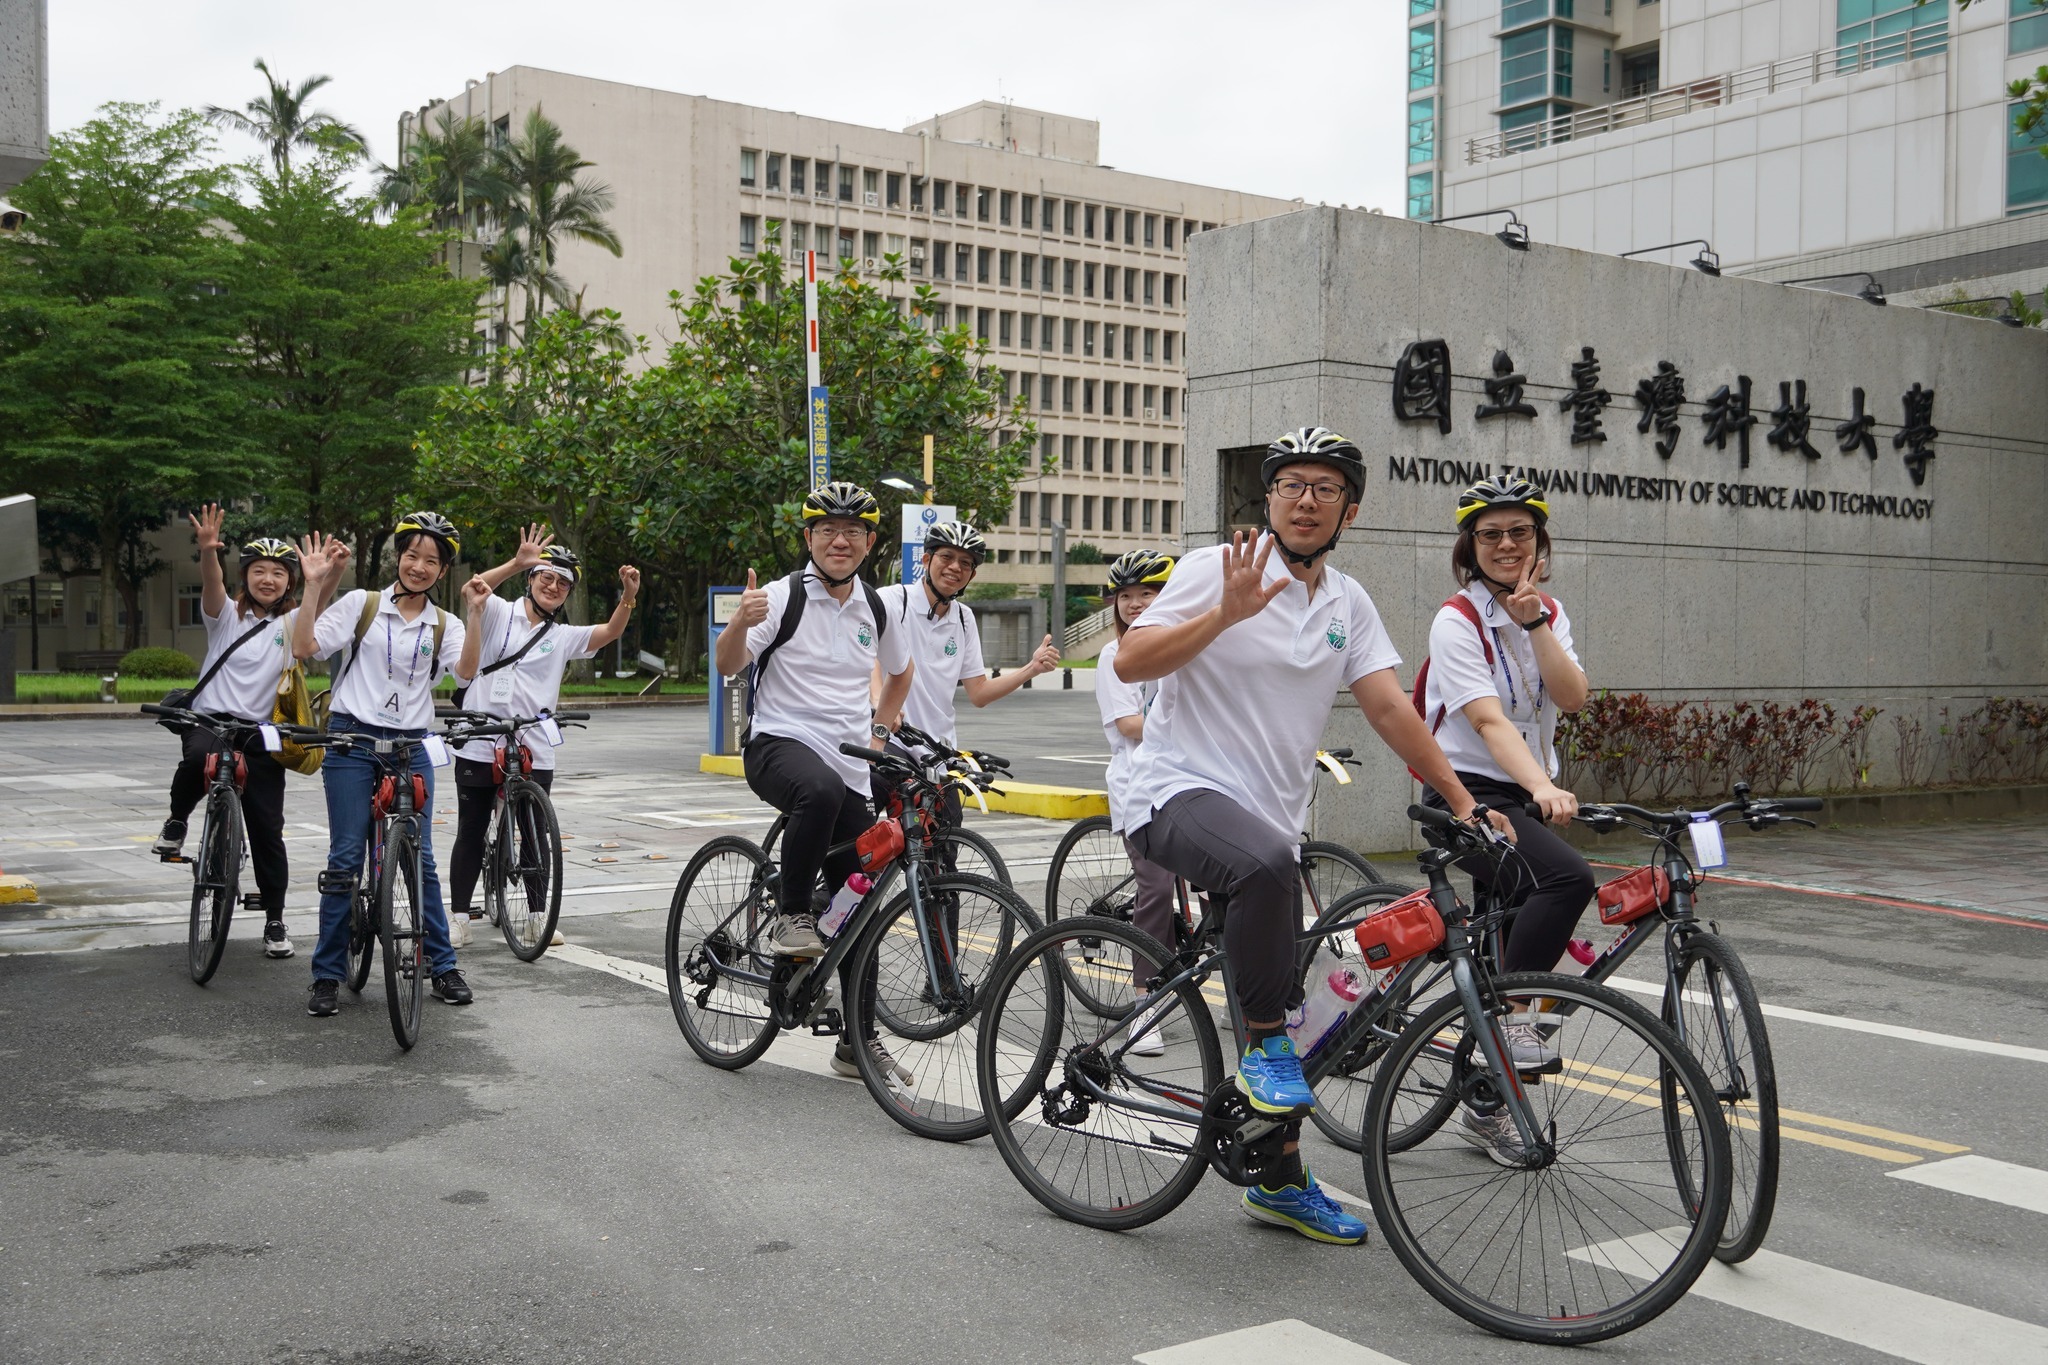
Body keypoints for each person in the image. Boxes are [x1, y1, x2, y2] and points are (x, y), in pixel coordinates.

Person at [1115, 425, 1510, 1245]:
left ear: (1349, 509)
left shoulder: (1347, 604)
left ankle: (1278, 1182)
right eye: (1290, 484)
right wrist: (1224, 614)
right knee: (1264, 898)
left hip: (1269, 824)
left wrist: (1464, 802)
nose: (1305, 499)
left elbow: (1390, 708)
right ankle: (1260, 1057)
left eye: (1324, 488)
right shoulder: (1211, 572)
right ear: (1269, 500)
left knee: (1300, 1017)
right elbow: (1132, 661)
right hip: (1175, 794)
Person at [714, 480, 915, 1082]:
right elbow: (728, 666)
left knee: (862, 902)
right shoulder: (779, 598)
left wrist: (879, 739)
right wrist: (735, 625)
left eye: (853, 530)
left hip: (850, 762)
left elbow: (900, 676)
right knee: (819, 789)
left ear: (870, 543)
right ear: (808, 538)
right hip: (777, 746)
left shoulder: (874, 607)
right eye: (827, 529)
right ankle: (792, 916)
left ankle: (857, 1043)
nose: (840, 539)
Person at [1420, 476, 1593, 1163]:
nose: (1504, 544)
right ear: (1470, 546)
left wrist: (1537, 624)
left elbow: (1572, 697)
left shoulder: (1546, 612)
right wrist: (1544, 785)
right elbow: (1489, 720)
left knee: (1520, 915)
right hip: (1464, 792)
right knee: (1566, 880)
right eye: (1489, 534)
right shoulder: (1455, 619)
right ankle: (1515, 1025)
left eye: (1518, 531)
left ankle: (1488, 1092)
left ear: (1538, 542)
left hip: (1521, 793)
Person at [292, 511, 470, 1019]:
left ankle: (442, 965)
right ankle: (326, 975)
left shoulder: (445, 623)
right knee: (346, 857)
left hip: (413, 742)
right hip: (351, 737)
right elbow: (305, 648)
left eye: (431, 560)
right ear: (398, 557)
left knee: (422, 859)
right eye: (411, 555)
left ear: (443, 571)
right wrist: (314, 585)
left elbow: (466, 672)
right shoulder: (360, 604)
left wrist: (475, 614)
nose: (418, 566)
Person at [447, 529, 641, 944]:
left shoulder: (561, 636)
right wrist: (518, 561)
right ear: (531, 580)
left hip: (532, 743)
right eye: (546, 578)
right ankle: (460, 916)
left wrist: (628, 596)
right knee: (471, 827)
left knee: (536, 830)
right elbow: (475, 587)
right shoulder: (499, 611)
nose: (553, 587)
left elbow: (608, 633)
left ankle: (538, 915)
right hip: (483, 736)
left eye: (563, 583)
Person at [153, 505, 308, 959]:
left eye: (279, 573)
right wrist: (206, 551)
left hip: (261, 732)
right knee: (197, 759)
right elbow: (212, 583)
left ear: (289, 582)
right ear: (246, 577)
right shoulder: (225, 616)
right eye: (259, 570)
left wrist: (325, 576)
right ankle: (178, 820)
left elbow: (318, 607)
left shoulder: (292, 624)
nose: (268, 579)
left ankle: (275, 920)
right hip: (211, 719)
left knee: (267, 829)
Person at [869, 519, 1061, 827]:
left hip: (935, 750)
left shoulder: (964, 619)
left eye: (966, 563)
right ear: (927, 559)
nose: (955, 567)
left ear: (972, 574)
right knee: (860, 817)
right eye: (947, 557)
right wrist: (881, 704)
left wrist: (1032, 668)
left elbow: (979, 693)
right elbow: (870, 657)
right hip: (891, 739)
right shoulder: (893, 600)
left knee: (944, 850)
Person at [1092, 549, 1179, 1057]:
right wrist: (1189, 732)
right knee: (1157, 886)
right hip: (1139, 785)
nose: (1135, 604)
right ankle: (1144, 1005)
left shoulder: (1186, 647)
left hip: (1188, 780)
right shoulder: (1113, 657)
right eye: (1126, 596)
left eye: (1148, 594)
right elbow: (1129, 726)